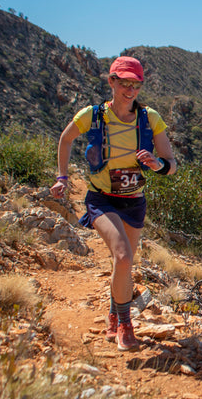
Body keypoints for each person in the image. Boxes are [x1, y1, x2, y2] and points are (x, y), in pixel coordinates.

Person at [50, 56, 177, 351]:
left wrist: (157, 165)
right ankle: (124, 325)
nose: (130, 90)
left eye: (136, 85)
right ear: (112, 82)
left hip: (134, 201)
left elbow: (172, 164)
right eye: (124, 84)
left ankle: (112, 313)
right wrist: (62, 177)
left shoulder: (150, 119)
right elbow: (66, 139)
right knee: (122, 257)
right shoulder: (92, 116)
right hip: (101, 198)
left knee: (125, 264)